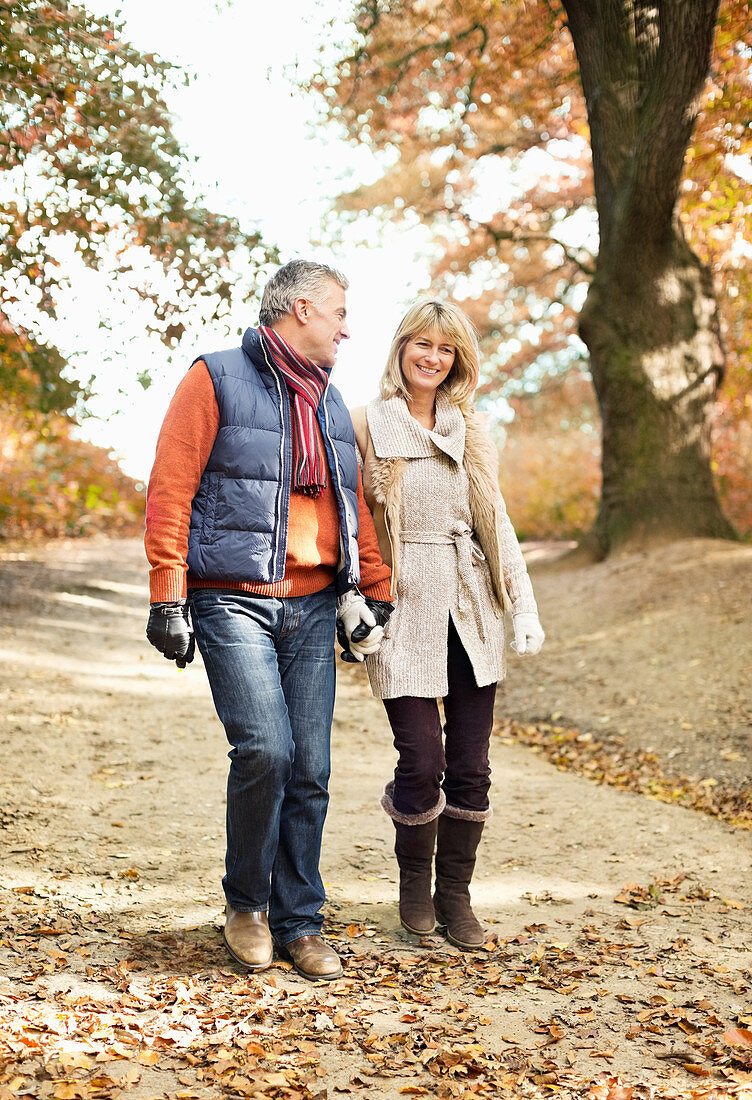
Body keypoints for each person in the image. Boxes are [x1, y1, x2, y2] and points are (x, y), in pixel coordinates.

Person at [144, 260, 392, 981]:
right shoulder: (214, 377)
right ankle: (247, 905)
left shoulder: (330, 400)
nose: (348, 326)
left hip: (313, 605)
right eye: (340, 312)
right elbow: (171, 484)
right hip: (232, 598)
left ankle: (300, 920)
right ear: (304, 307)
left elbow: (353, 506)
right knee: (267, 752)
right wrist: (167, 593)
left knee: (311, 767)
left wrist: (372, 588)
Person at [349, 299, 544, 951]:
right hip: (404, 606)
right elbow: (348, 521)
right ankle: (413, 881)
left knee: (470, 766)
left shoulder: (471, 428)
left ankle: (454, 893)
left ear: (458, 360)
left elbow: (496, 520)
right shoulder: (367, 424)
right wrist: (354, 602)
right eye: (421, 344)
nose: (432, 357)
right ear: (401, 348)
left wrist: (523, 606)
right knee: (421, 758)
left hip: (471, 607)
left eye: (446, 349)